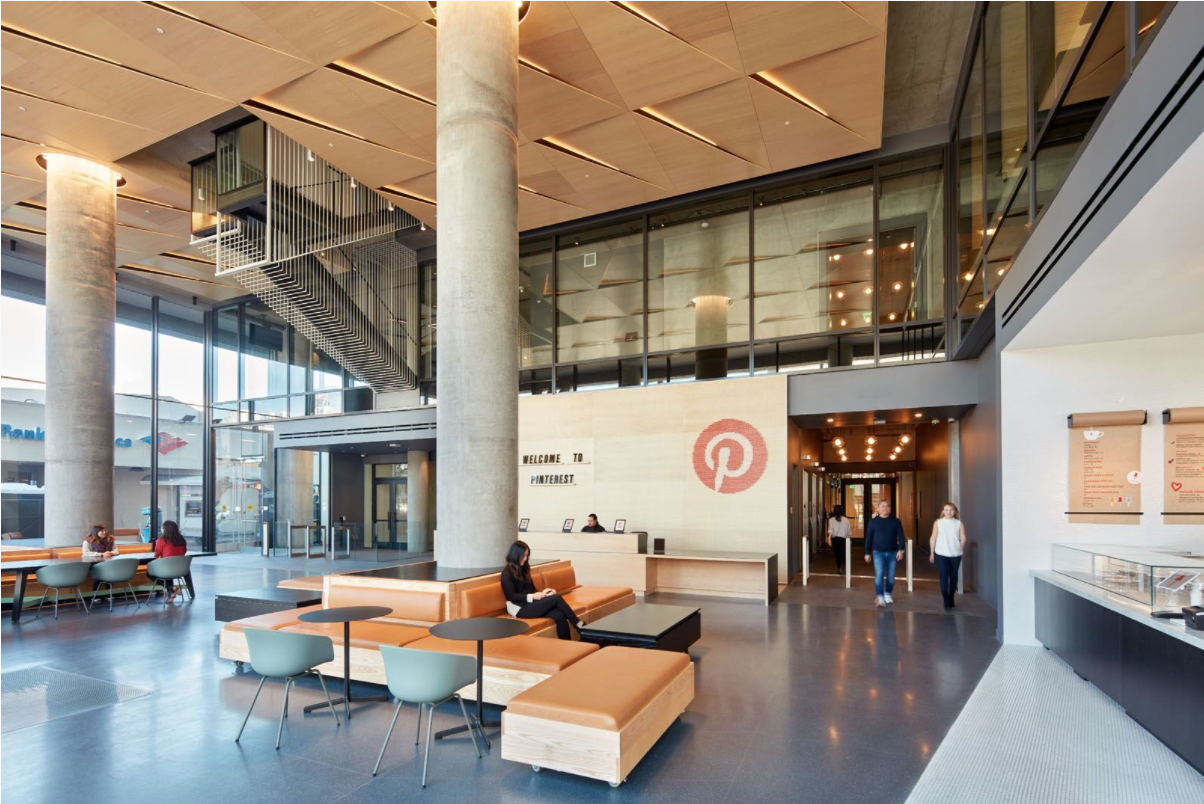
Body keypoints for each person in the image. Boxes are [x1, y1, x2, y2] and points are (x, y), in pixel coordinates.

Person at [500, 540, 585, 640]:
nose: (525, 558)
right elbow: (511, 596)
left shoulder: (523, 568)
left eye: (527, 555)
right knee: (556, 598)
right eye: (523, 555)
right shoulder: (506, 573)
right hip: (519, 609)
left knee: (559, 615)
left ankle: (568, 644)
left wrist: (543, 594)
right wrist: (532, 596)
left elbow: (532, 588)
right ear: (516, 554)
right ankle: (578, 624)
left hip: (530, 604)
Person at [863, 500, 905, 607]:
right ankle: (880, 596)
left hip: (892, 553)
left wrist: (901, 550)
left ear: (890, 508)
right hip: (878, 553)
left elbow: (901, 536)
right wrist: (867, 553)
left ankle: (887, 593)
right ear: (878, 508)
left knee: (891, 577)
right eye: (882, 506)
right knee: (879, 574)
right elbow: (868, 538)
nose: (885, 508)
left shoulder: (896, 521)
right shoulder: (873, 522)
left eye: (887, 506)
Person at [929, 502, 967, 610]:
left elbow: (963, 537)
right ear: (943, 511)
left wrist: (962, 546)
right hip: (941, 554)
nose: (949, 512)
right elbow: (933, 538)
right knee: (943, 575)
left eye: (951, 510)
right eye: (946, 510)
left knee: (954, 576)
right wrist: (932, 553)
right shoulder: (938, 522)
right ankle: (946, 598)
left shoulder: (959, 523)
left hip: (955, 554)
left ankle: (951, 596)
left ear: (955, 512)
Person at [155, 520, 189, 602]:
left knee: (150, 573)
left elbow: (156, 555)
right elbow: (184, 552)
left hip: (168, 569)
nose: (161, 529)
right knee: (168, 568)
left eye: (162, 528)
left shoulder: (161, 541)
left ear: (165, 529)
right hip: (181, 570)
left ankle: (172, 588)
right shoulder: (182, 540)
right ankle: (171, 594)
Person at [827, 505, 851, 574]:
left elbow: (830, 530)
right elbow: (848, 531)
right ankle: (842, 564)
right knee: (843, 553)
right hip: (843, 539)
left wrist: (829, 539)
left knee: (837, 554)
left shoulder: (831, 520)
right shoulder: (846, 520)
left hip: (835, 539)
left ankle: (839, 567)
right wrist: (849, 538)